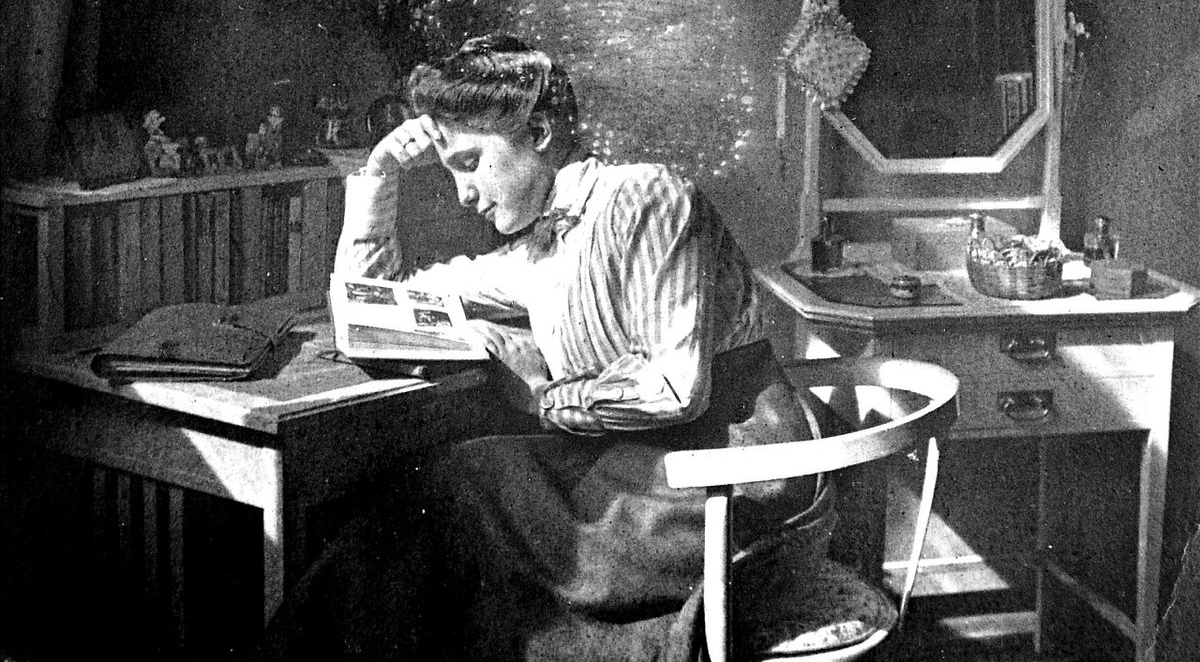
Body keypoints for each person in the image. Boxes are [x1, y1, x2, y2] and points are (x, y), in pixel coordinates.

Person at [257, 34, 835, 661]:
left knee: (455, 503)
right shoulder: (535, 254)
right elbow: (373, 300)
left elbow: (675, 389)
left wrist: (539, 392)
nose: (463, 194)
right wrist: (378, 174)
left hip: (734, 477)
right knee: (446, 488)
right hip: (639, 468)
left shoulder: (647, 197)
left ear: (537, 133)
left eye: (472, 162)